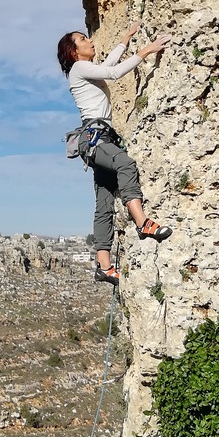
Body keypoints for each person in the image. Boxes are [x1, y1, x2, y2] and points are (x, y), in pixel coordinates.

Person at [57, 23, 174, 285]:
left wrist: (125, 38)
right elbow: (114, 72)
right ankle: (142, 223)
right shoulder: (78, 68)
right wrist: (147, 50)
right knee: (125, 163)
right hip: (96, 139)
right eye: (83, 39)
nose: (90, 41)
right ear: (74, 52)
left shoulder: (85, 71)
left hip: (97, 140)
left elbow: (107, 66)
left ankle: (104, 267)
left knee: (104, 202)